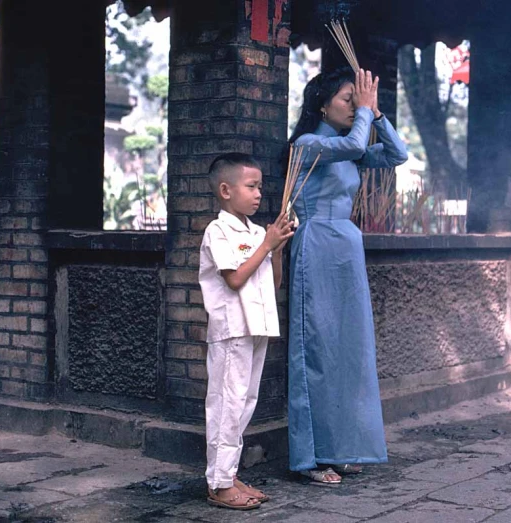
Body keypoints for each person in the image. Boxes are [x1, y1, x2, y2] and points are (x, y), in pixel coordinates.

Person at [286, 68, 409, 485]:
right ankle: (311, 457)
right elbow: (355, 143)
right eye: (346, 99)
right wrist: (365, 115)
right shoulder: (309, 144)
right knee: (317, 350)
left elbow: (397, 155)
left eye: (355, 100)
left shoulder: (350, 145)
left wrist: (376, 116)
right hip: (316, 243)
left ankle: (339, 449)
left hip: (346, 246)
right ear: (321, 105)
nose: (353, 107)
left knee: (348, 350)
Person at [199, 153, 294, 509]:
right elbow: (236, 279)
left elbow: (272, 283)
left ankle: (229, 474)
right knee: (226, 404)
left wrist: (278, 250)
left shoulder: (258, 232)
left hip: (256, 329)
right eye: (251, 186)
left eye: (260, 187)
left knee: (244, 403)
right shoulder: (218, 230)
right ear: (226, 190)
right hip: (231, 330)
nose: (258, 194)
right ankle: (219, 483)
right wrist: (267, 246)